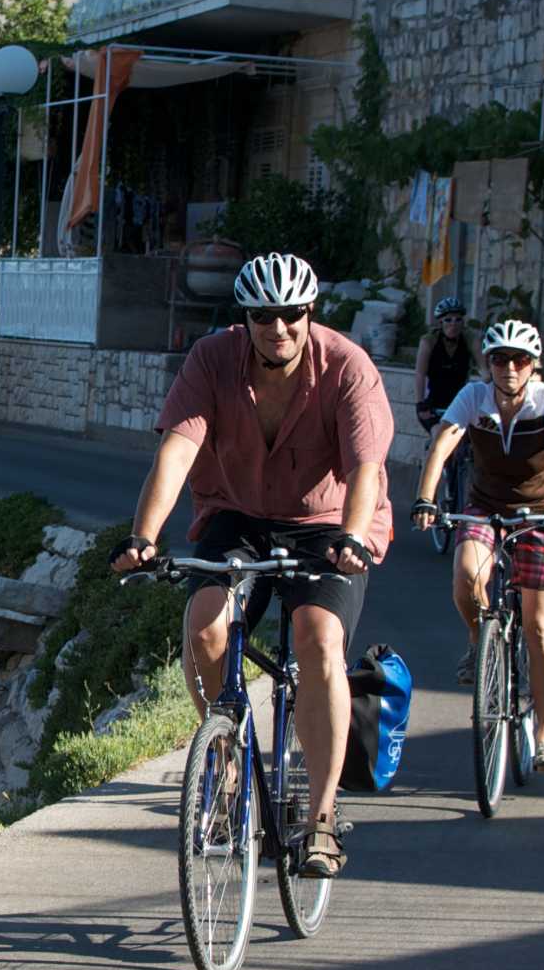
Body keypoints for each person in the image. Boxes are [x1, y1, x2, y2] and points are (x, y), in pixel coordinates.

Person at [111, 252, 393, 877]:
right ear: (246, 318)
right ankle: (228, 758)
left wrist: (351, 537)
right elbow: (178, 451)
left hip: (328, 522)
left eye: (292, 314)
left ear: (309, 312)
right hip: (236, 516)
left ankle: (321, 819)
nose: (280, 328)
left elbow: (365, 469)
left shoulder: (348, 367)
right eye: (265, 316)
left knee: (317, 640)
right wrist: (144, 537)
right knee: (206, 625)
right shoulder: (212, 360)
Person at [410, 319, 544, 772]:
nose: (509, 368)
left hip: (543, 515)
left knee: (540, 627)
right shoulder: (475, 396)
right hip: (485, 508)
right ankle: (479, 638)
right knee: (468, 578)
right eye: (500, 359)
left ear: (534, 366)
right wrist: (426, 498)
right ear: (487, 364)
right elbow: (444, 442)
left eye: (520, 360)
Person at [413, 296, 473, 436]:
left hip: (459, 403)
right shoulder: (429, 341)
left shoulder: (469, 338)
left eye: (458, 319)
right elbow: (420, 374)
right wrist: (420, 404)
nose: (454, 324)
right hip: (433, 404)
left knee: (467, 444)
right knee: (439, 437)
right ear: (440, 322)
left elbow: (485, 371)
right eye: (448, 320)